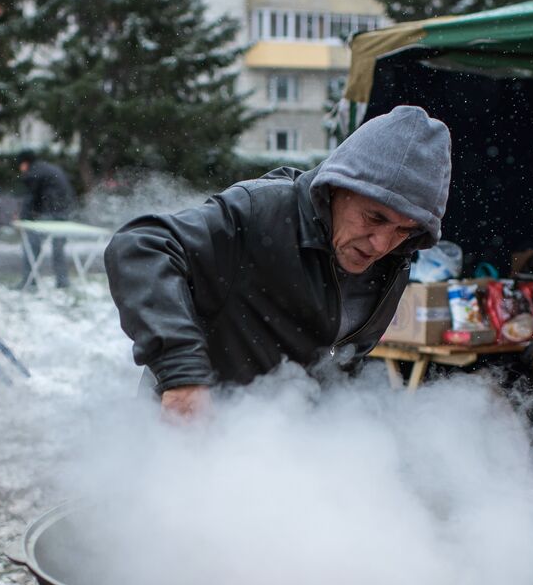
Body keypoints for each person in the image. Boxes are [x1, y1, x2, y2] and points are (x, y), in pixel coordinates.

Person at [104, 105, 451, 419]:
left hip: (281, 456)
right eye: (374, 218)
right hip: (189, 437)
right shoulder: (259, 212)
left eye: (403, 231)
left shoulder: (393, 263)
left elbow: (339, 361)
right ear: (335, 187)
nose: (382, 244)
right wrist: (181, 373)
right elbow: (141, 246)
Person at [16, 149, 77, 288]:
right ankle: (62, 282)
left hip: (51, 213)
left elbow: (30, 198)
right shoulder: (46, 168)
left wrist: (23, 219)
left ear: (25, 163)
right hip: (63, 212)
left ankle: (29, 281)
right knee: (58, 249)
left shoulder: (33, 173)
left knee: (31, 244)